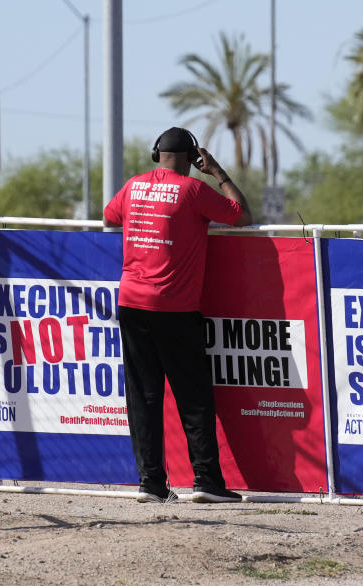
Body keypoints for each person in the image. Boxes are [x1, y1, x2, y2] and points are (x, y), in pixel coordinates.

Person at [103, 126, 252, 504]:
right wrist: (217, 173)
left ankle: (150, 484)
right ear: (191, 160)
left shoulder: (134, 185)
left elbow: (109, 217)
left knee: (143, 397)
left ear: (157, 154)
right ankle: (206, 481)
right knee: (194, 397)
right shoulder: (194, 189)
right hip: (175, 308)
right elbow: (242, 215)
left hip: (131, 303)